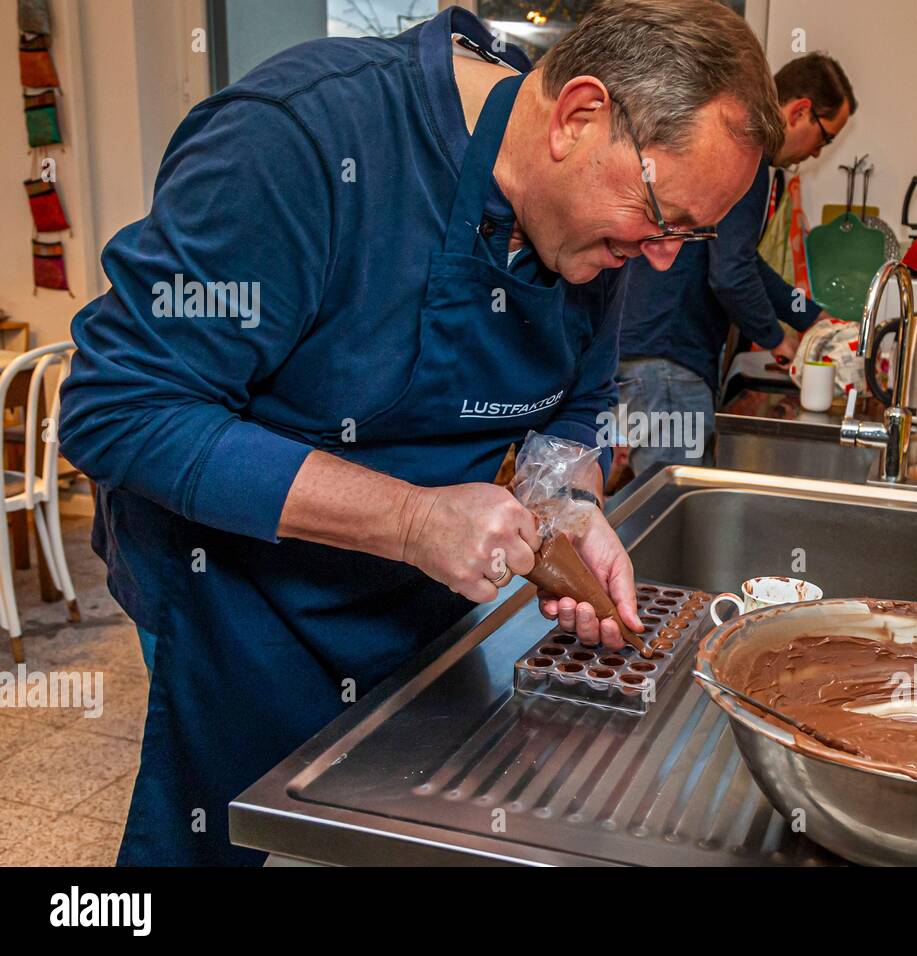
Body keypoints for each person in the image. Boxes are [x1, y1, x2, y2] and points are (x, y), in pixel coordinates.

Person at [57, 1, 782, 865]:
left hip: (421, 617)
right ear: (579, 117)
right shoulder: (302, 140)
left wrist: (569, 510)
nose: (666, 257)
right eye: (664, 221)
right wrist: (410, 521)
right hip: (241, 606)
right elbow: (119, 405)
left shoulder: (591, 225)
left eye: (692, 236)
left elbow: (575, 412)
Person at [615, 52, 857, 471]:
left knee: (660, 501)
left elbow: (743, 261)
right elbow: (730, 273)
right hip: (669, 357)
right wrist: (777, 340)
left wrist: (810, 317)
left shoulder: (740, 153)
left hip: (653, 350)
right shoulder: (749, 160)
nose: (818, 153)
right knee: (668, 513)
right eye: (826, 137)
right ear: (799, 111)